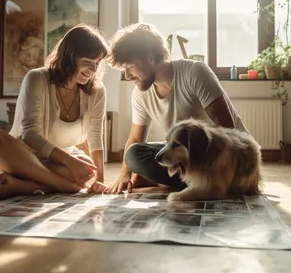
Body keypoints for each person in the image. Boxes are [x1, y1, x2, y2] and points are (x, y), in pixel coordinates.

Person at [105, 23, 250, 194]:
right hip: (187, 159)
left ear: (150, 58)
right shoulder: (140, 94)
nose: (127, 76)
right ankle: (196, 184)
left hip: (229, 158)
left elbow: (227, 128)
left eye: (129, 67)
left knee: (163, 159)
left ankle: (202, 183)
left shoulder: (195, 72)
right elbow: (136, 139)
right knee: (134, 155)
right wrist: (124, 176)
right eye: (124, 70)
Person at [0, 24, 109, 199]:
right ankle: (63, 186)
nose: (93, 70)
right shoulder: (37, 78)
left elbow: (95, 136)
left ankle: (23, 185)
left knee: (88, 169)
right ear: (69, 57)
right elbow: (30, 134)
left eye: (97, 63)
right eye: (87, 62)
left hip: (57, 162)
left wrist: (99, 180)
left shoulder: (97, 91)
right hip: (21, 158)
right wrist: (70, 162)